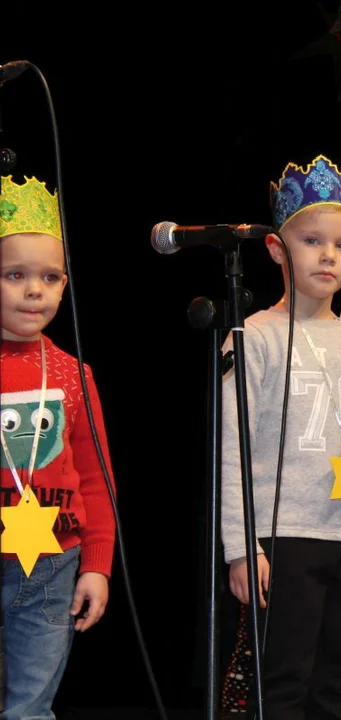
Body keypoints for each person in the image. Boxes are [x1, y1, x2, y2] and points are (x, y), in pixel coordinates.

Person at [220, 154, 341, 718]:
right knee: (282, 681)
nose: (328, 255)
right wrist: (241, 545)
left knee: (336, 681)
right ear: (278, 248)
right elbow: (233, 448)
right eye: (312, 241)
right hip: (284, 537)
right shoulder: (253, 336)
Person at [0, 175, 117, 718]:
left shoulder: (73, 374)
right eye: (15, 275)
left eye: (49, 278)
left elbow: (96, 479)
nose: (34, 291)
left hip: (52, 563)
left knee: (30, 707)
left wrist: (96, 563)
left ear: (65, 285)